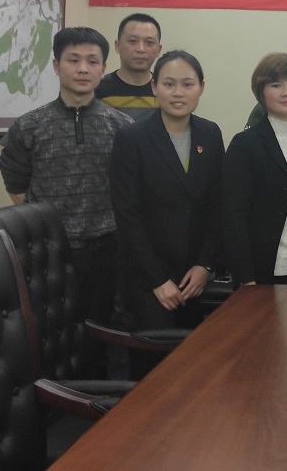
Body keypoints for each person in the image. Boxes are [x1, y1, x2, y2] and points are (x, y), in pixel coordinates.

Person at [0, 26, 132, 377]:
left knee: (102, 333)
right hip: (49, 250)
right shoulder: (29, 126)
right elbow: (16, 183)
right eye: (73, 60)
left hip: (106, 249)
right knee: (48, 332)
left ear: (103, 69)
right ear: (57, 66)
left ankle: (96, 400)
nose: (83, 69)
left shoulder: (122, 126)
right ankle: (53, 401)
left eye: (92, 61)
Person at [109, 50, 223, 377]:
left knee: (192, 368)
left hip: (194, 277)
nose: (178, 93)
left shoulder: (210, 134)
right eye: (169, 84)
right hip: (149, 279)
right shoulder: (132, 138)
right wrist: (157, 280)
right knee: (154, 372)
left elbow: (217, 206)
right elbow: (127, 216)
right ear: (154, 87)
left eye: (188, 84)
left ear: (201, 87)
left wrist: (205, 265)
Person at [222, 53, 287, 286]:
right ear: (261, 92)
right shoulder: (245, 145)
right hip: (265, 273)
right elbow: (232, 217)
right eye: (276, 85)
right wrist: (245, 277)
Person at [95, 13, 163, 121]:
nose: (141, 49)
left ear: (159, 50)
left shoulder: (165, 91)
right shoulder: (97, 88)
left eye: (149, 42)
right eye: (133, 41)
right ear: (117, 46)